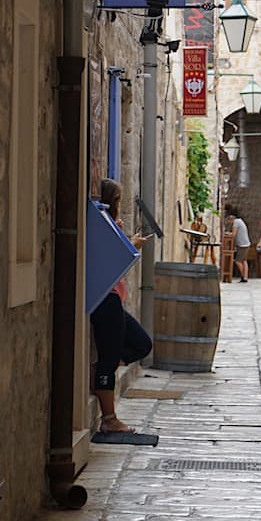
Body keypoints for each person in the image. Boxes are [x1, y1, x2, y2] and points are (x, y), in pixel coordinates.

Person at [90, 178, 152, 433]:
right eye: (117, 200)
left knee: (141, 344)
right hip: (105, 299)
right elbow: (112, 262)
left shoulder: (110, 226)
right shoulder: (104, 227)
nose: (119, 204)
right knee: (109, 358)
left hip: (114, 298)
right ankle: (109, 419)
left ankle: (101, 375)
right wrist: (132, 246)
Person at [224, 203, 251, 282]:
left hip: (242, 244)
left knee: (238, 261)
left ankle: (243, 276)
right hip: (246, 243)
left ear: (231, 219)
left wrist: (227, 234)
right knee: (244, 260)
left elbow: (233, 234)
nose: (229, 222)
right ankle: (245, 277)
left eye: (229, 221)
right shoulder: (240, 221)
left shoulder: (236, 222)